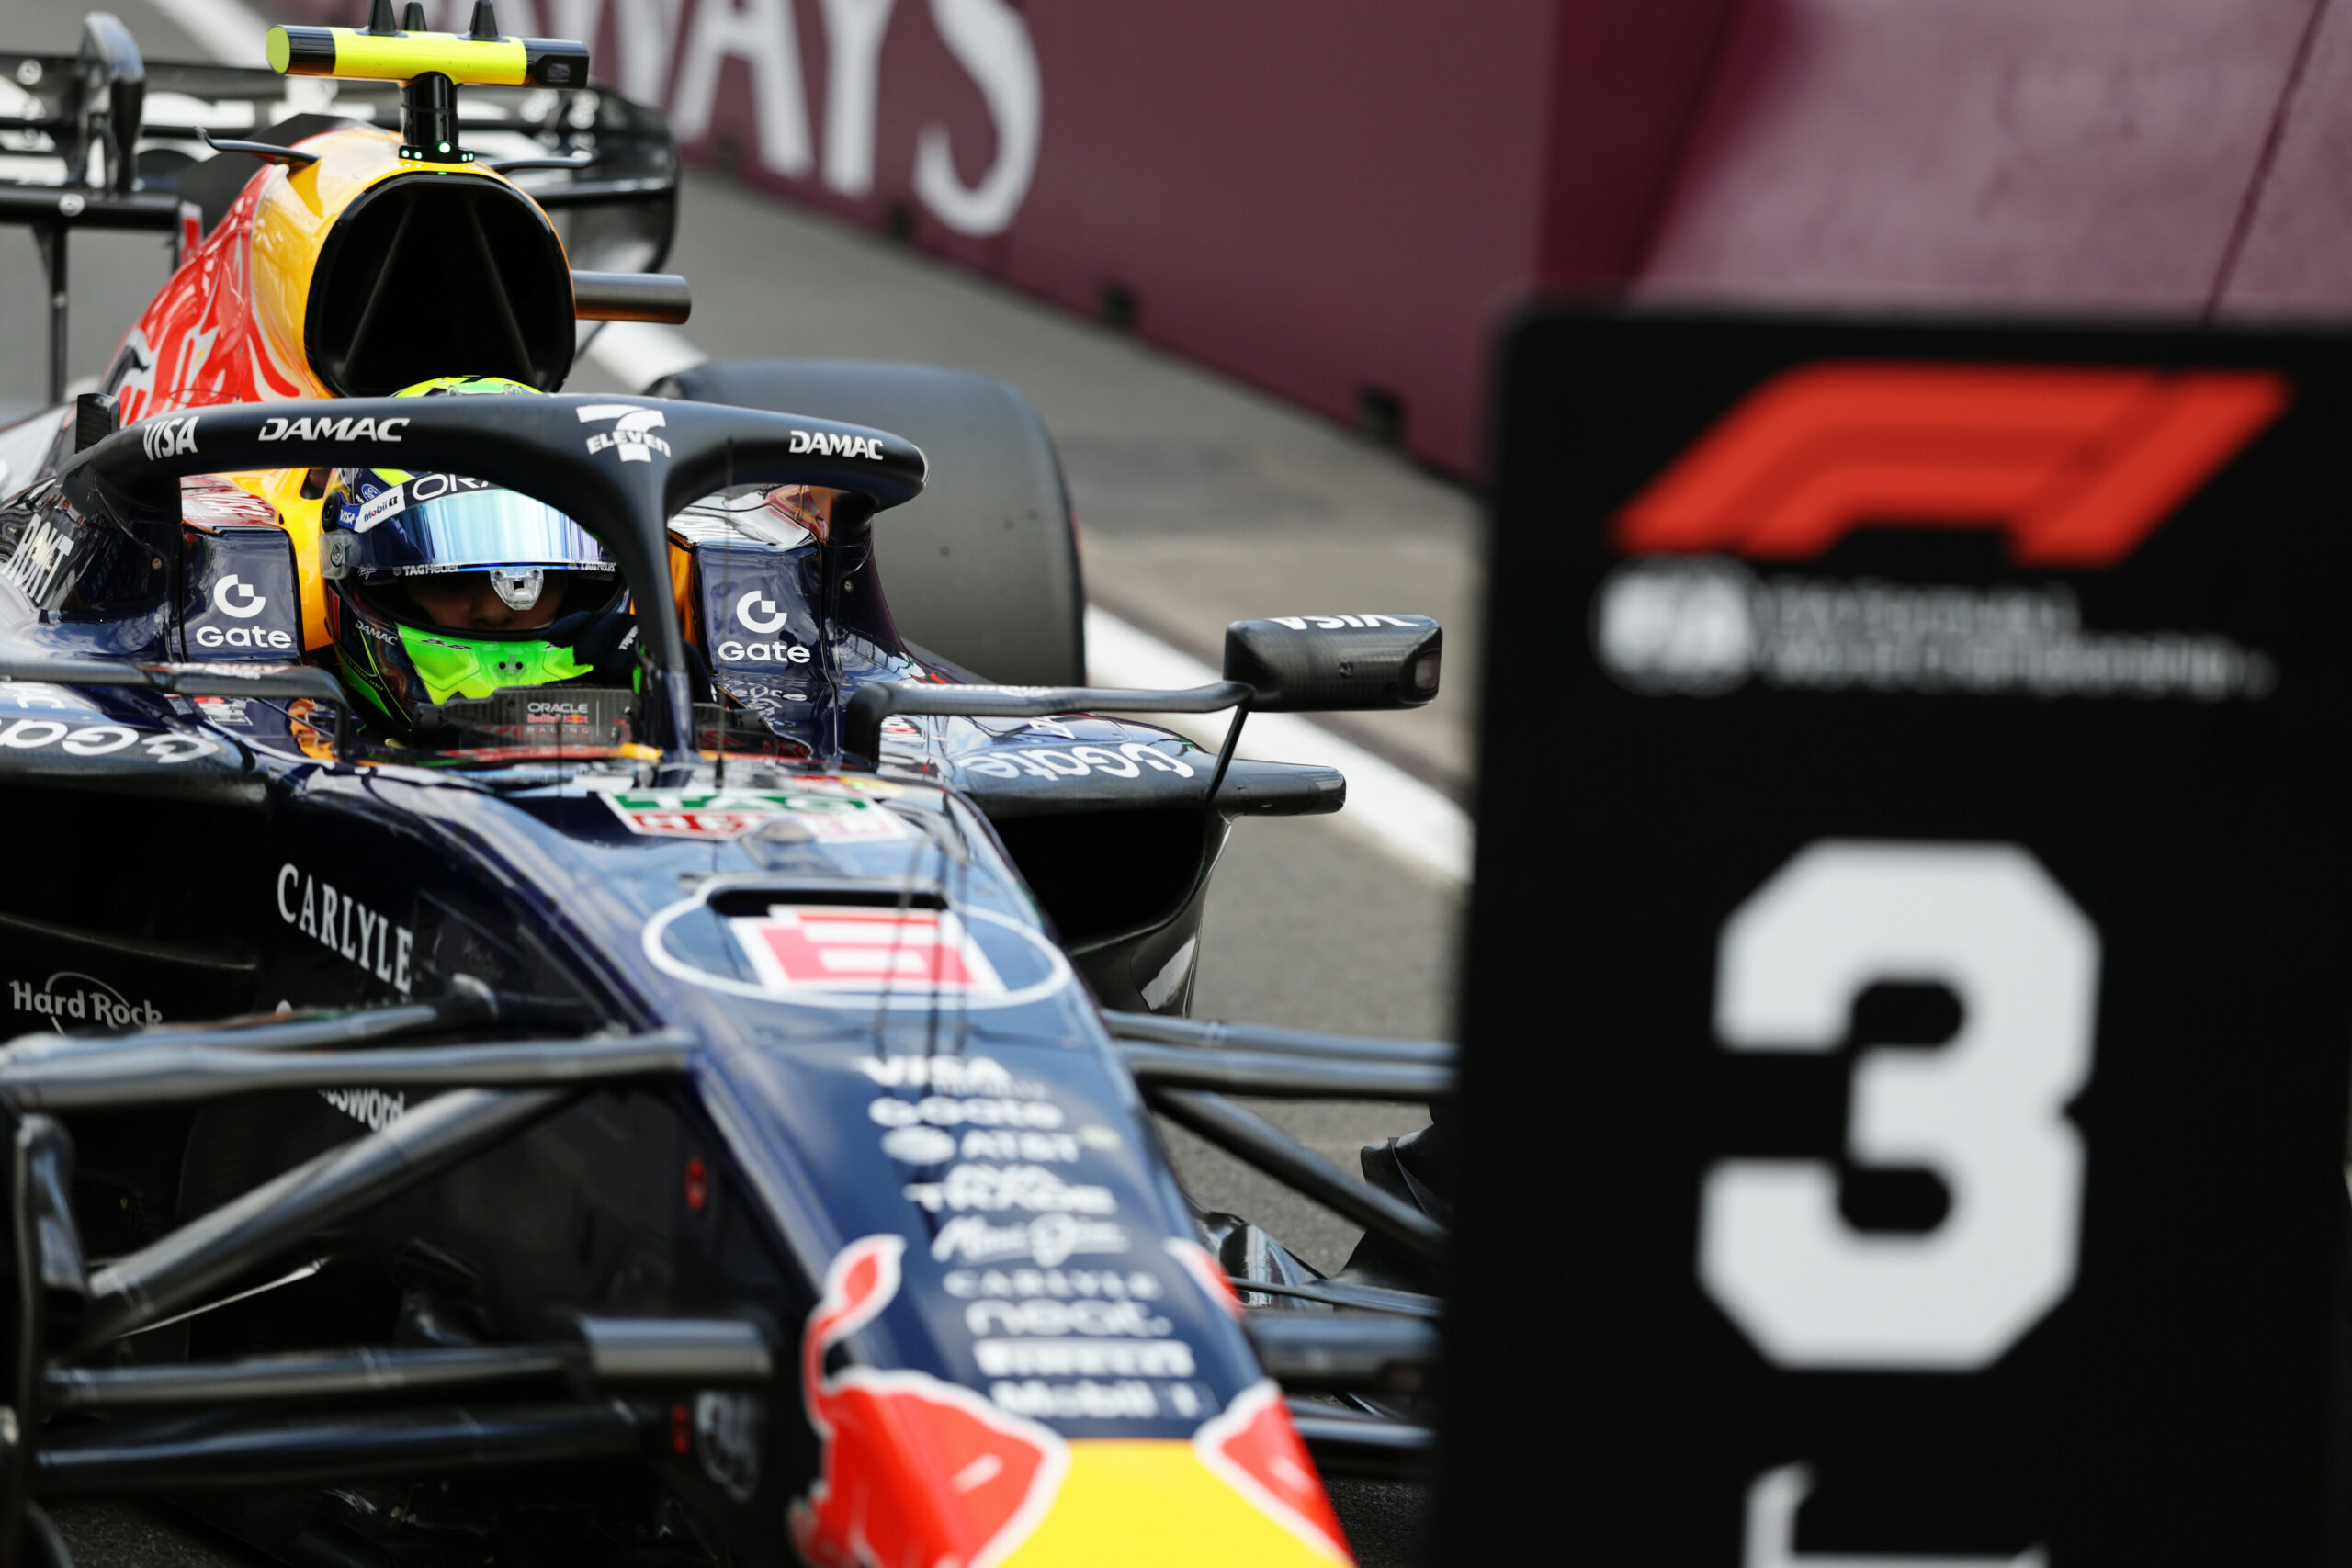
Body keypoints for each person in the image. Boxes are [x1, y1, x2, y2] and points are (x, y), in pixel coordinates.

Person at [318, 375, 641, 731]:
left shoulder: (651, 684)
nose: (496, 610)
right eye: (450, 578)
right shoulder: (286, 720)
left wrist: (682, 709)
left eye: (540, 571)